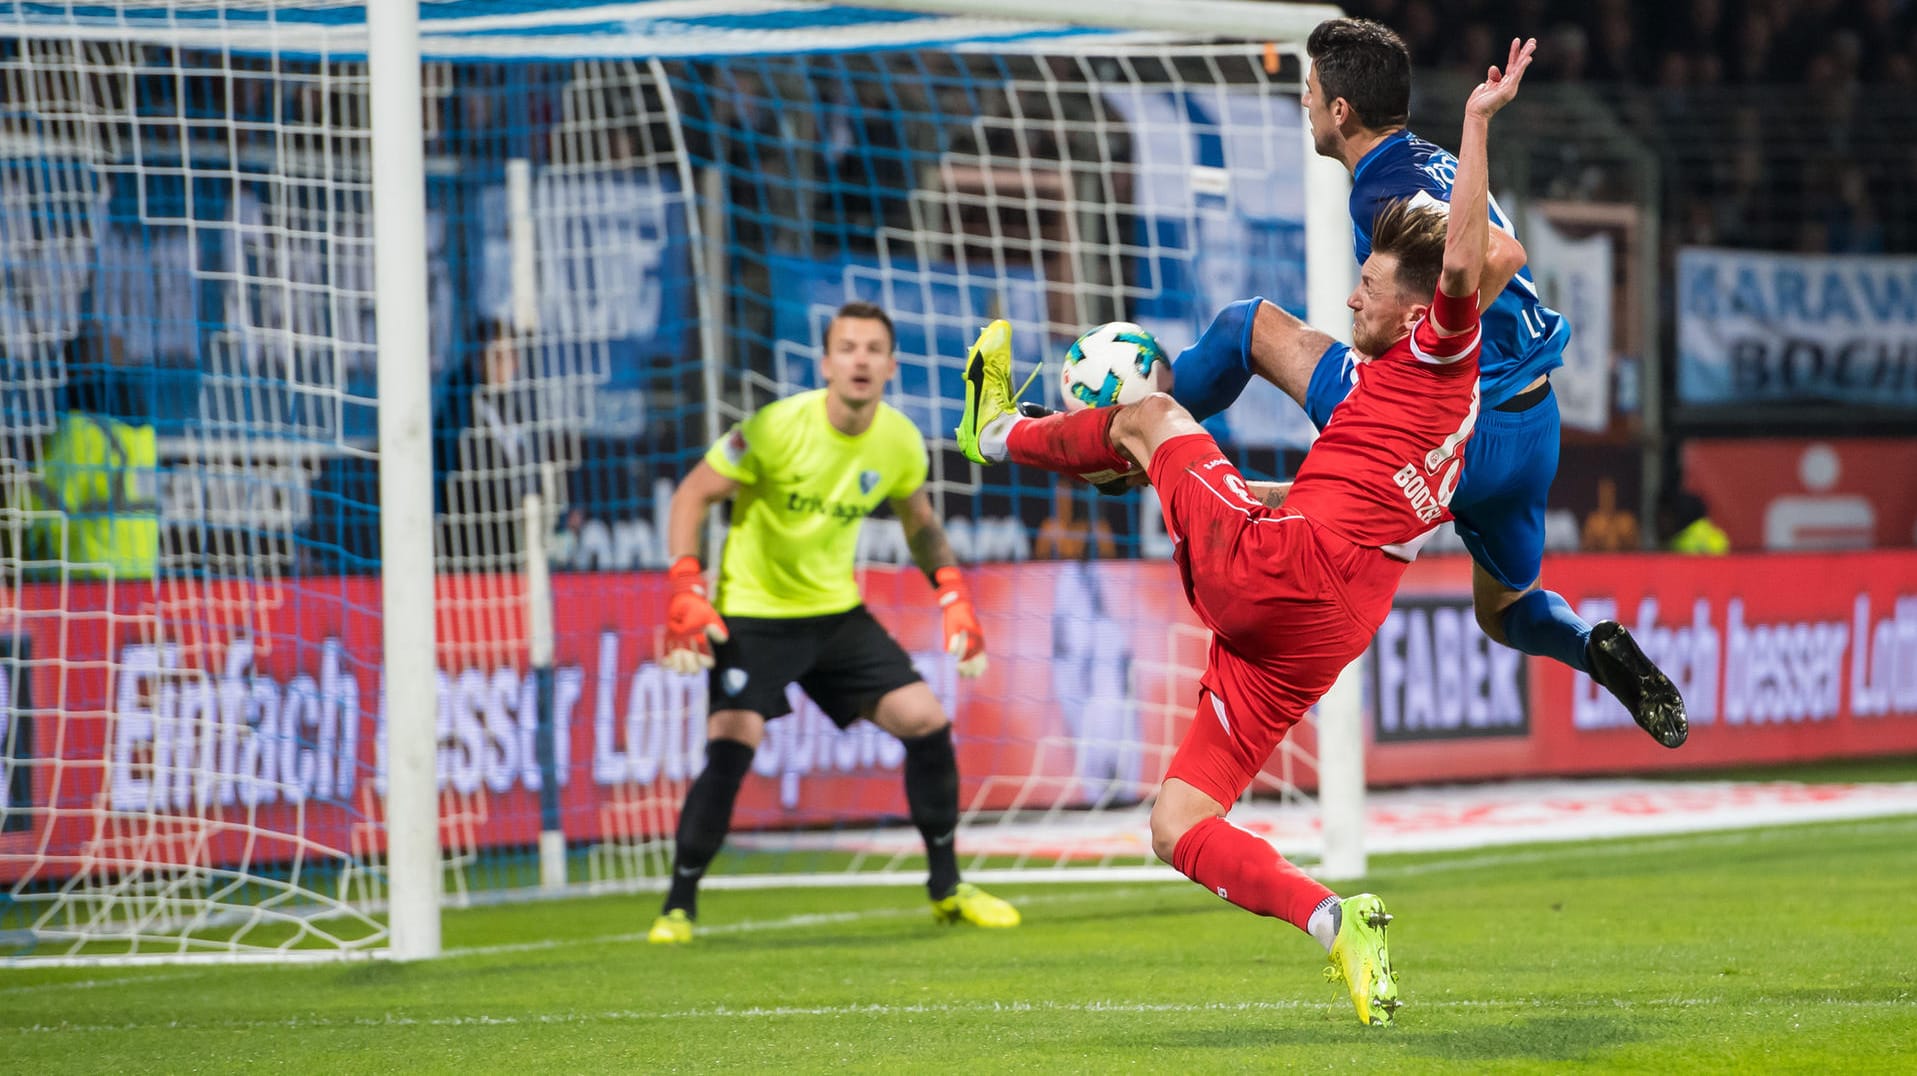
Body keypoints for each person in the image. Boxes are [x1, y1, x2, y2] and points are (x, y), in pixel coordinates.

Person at [958, 38, 1539, 1027]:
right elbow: (1501, 258)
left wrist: (1477, 124)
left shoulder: (1438, 350)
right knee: (1176, 820)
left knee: (1148, 414)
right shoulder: (1434, 398)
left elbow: (1468, 259)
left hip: (1285, 576)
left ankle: (996, 431)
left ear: (1418, 315)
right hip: (1326, 620)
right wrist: (1229, 486)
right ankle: (1334, 922)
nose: (1354, 294)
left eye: (1370, 286)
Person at [1166, 17, 1687, 750]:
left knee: (1243, 329)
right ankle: (1591, 645)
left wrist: (1426, 348)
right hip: (1531, 425)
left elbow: (1500, 252)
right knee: (1506, 608)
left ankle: (1143, 424)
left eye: (1310, 92)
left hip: (1453, 419)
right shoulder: (1433, 161)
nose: (1305, 105)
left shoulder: (1386, 189)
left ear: (1339, 110)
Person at [647, 300, 1019, 944]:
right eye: (847, 347)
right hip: (753, 615)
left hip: (834, 617)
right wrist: (685, 584)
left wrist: (954, 593)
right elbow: (691, 494)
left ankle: (947, 889)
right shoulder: (775, 427)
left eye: (873, 349)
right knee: (733, 745)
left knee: (927, 722)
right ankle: (678, 906)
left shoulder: (899, 440)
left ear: (891, 366)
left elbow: (920, 524)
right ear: (825, 363)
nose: (860, 359)